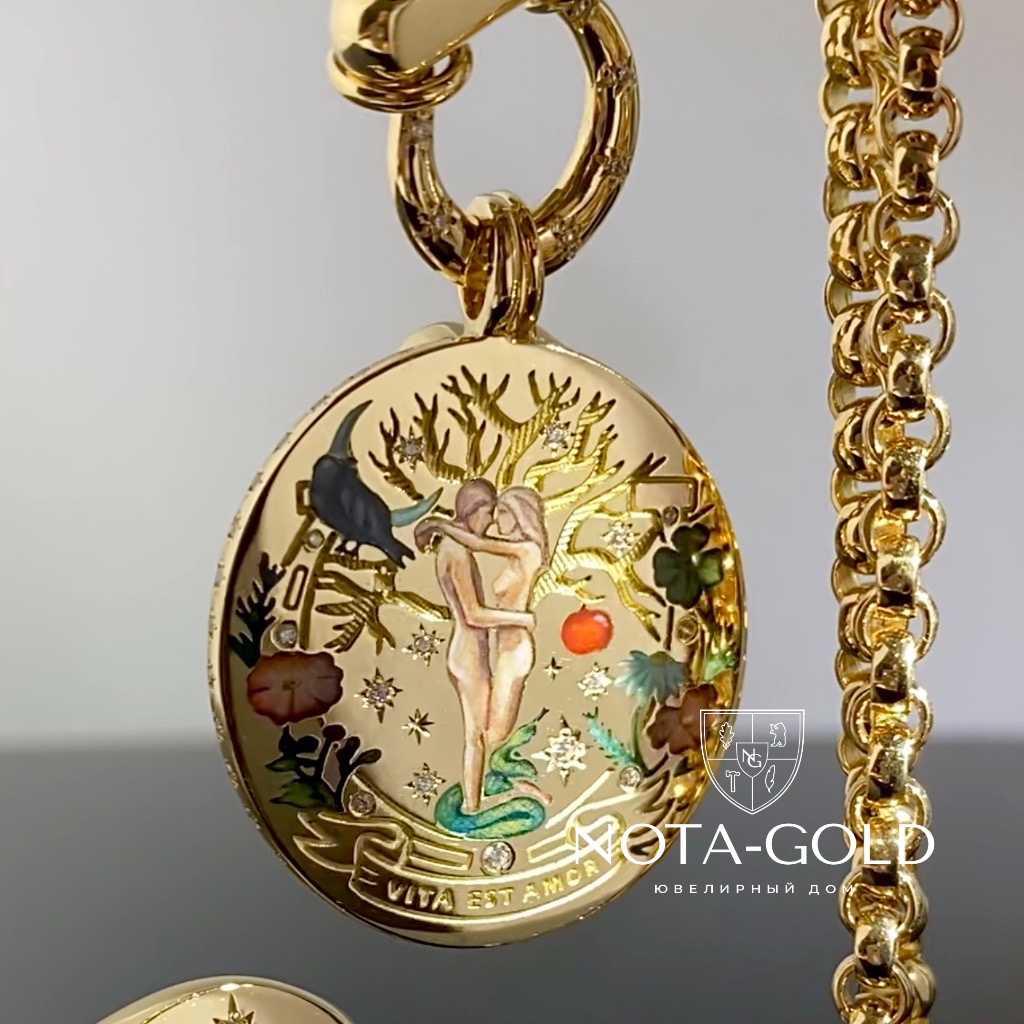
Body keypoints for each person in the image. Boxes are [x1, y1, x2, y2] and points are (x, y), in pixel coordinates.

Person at [416, 484, 551, 811]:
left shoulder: (528, 551)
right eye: (492, 511)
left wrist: (438, 525)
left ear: (520, 515)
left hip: (513, 653)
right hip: (485, 651)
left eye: (501, 512)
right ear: (473, 510)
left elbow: (479, 543)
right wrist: (521, 618)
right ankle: (476, 803)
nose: (493, 521)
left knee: (490, 736)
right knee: (481, 736)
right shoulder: (461, 552)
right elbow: (474, 611)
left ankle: (494, 792)